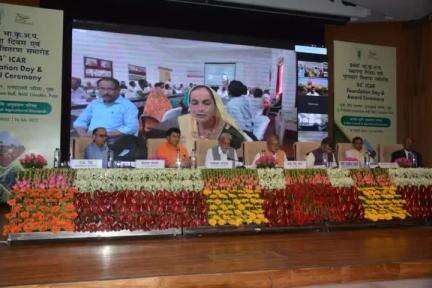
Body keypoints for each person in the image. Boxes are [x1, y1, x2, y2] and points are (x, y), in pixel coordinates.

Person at [178, 85, 251, 153]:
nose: (200, 109)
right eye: (194, 103)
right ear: (189, 106)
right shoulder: (181, 126)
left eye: (206, 103)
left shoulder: (231, 134)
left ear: (216, 106)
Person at [73, 77, 139, 139]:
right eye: (102, 88)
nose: (106, 92)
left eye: (110, 89)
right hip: (90, 139)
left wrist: (104, 135)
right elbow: (80, 122)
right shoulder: (95, 103)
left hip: (115, 141)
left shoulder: (128, 106)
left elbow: (132, 128)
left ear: (118, 90)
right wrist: (83, 135)